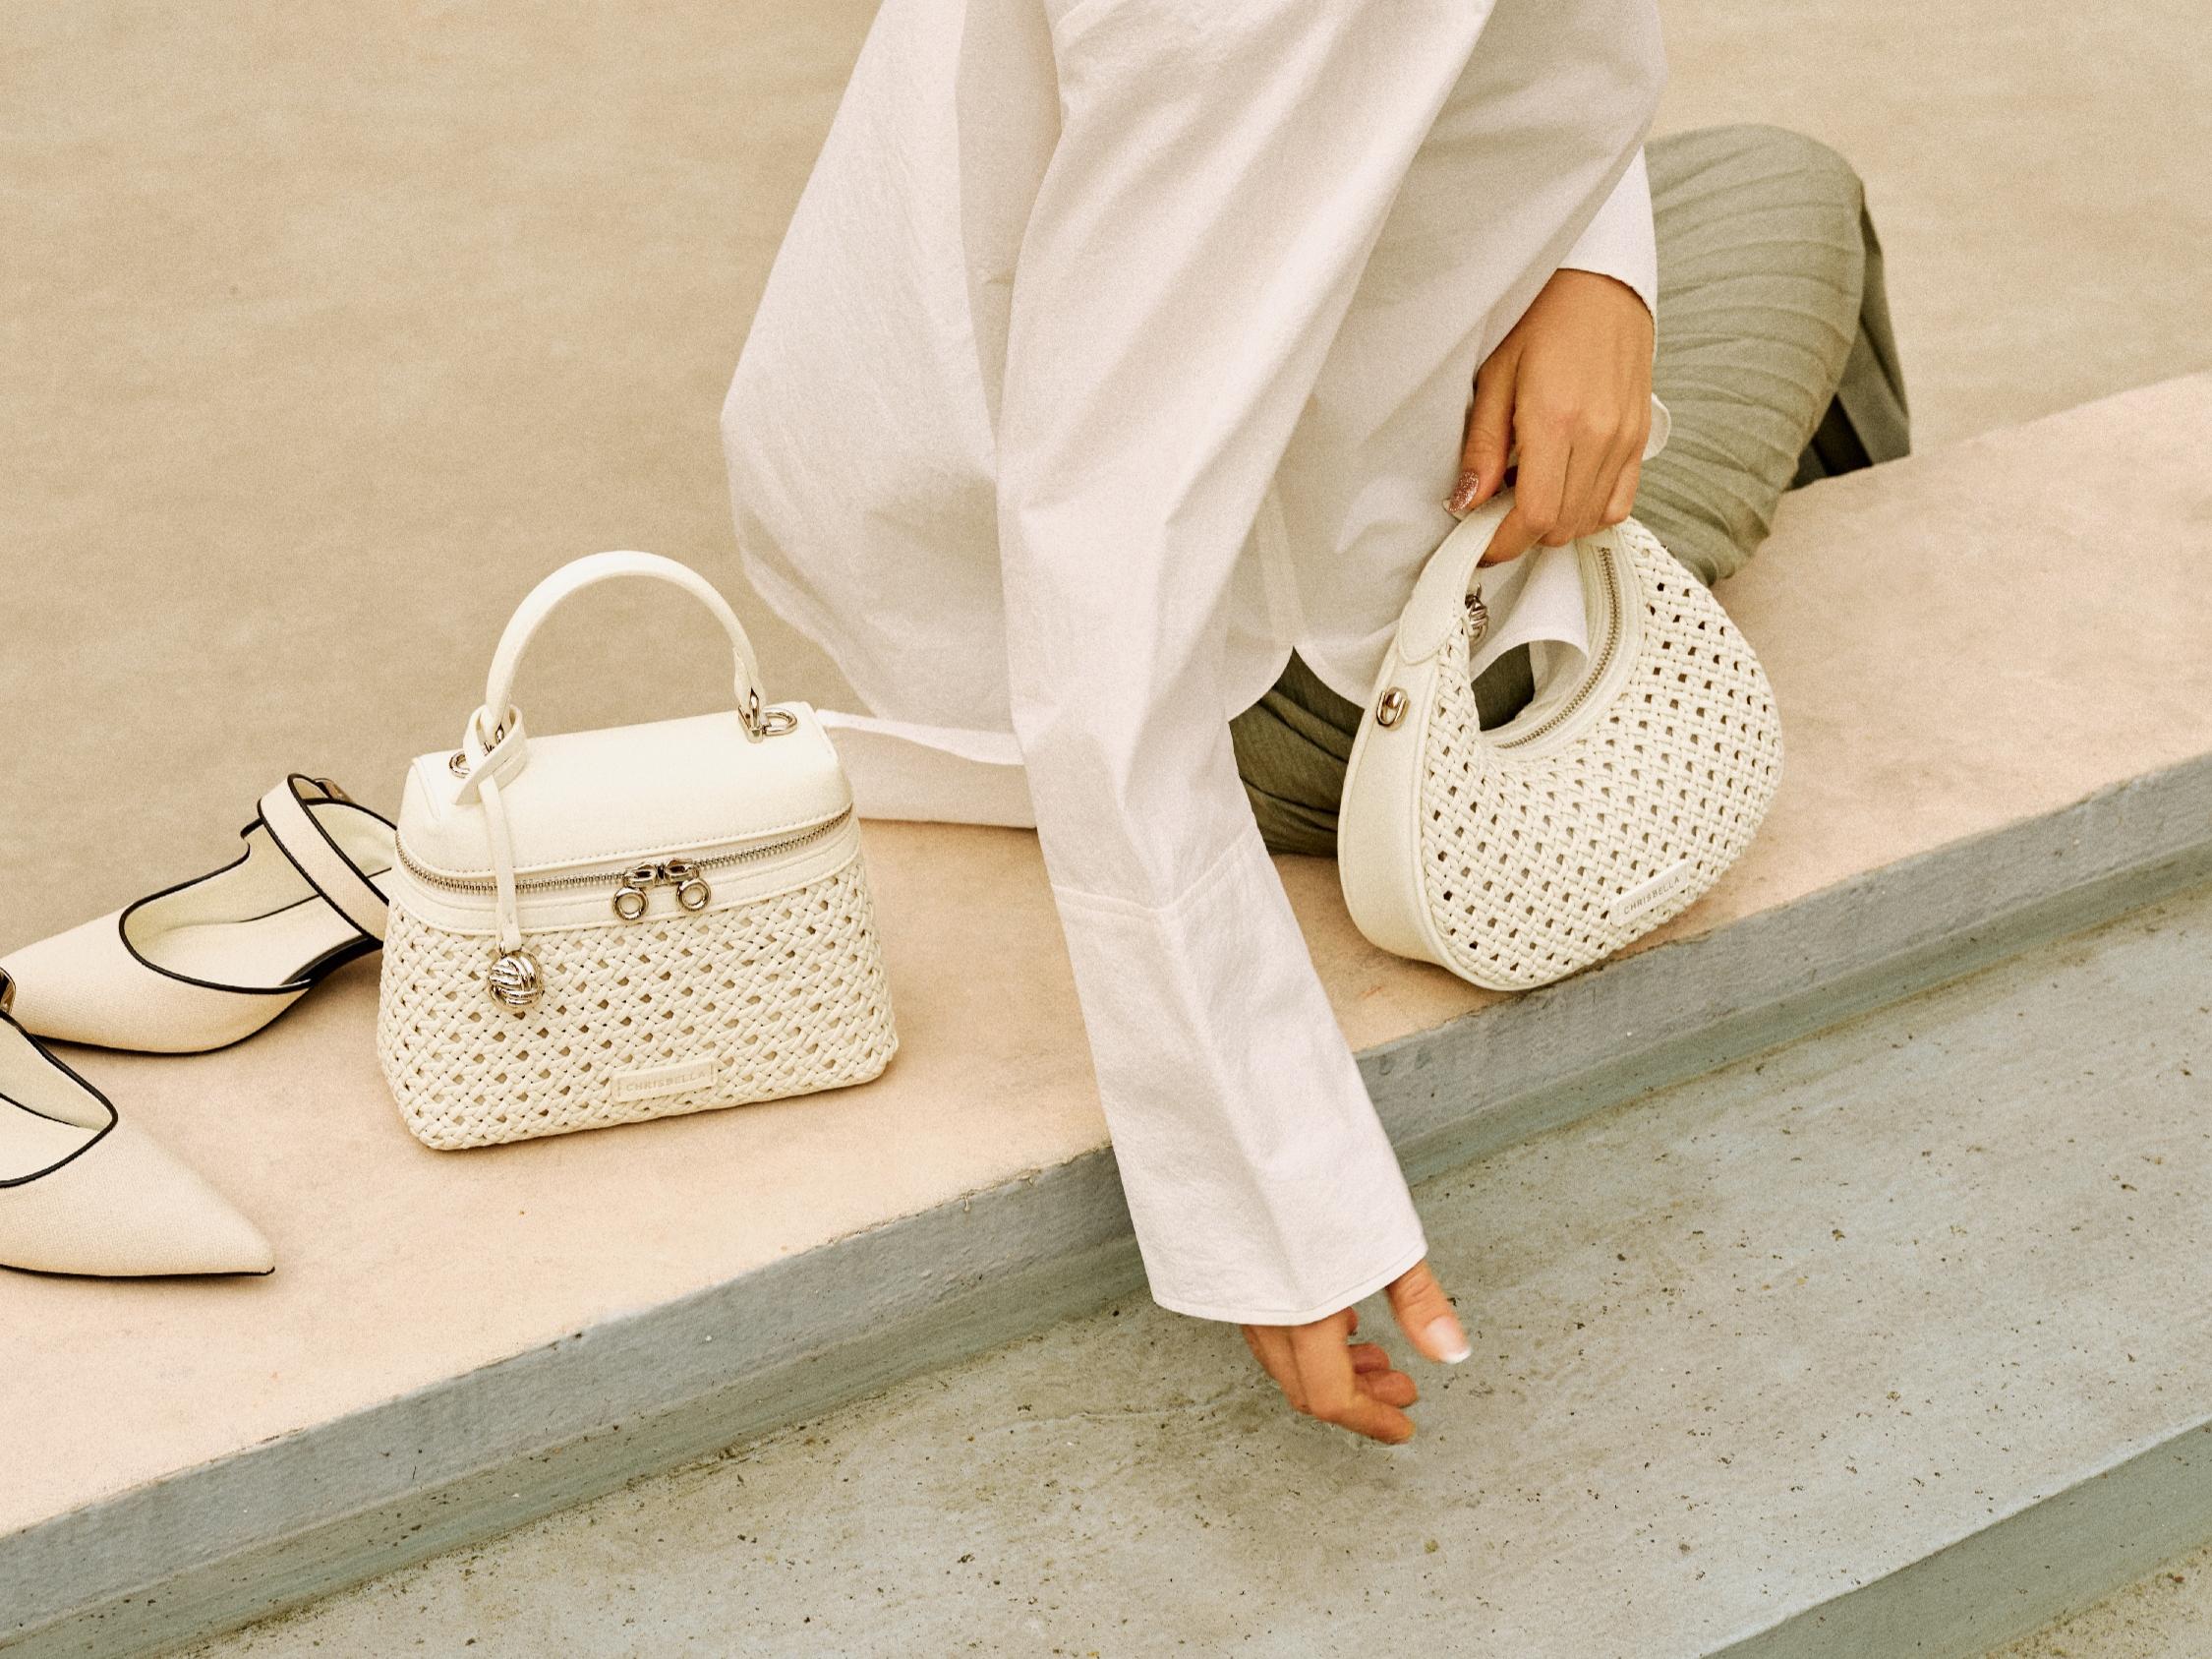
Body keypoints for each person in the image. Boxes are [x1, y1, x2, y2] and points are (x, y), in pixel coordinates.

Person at [721, 0, 1909, 1446]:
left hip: (1006, 510)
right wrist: (1265, 1183)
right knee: (1796, 198)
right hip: (1306, 674)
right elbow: (1110, 546)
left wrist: (1594, 272)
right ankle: (1654, 664)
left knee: (1746, 181)